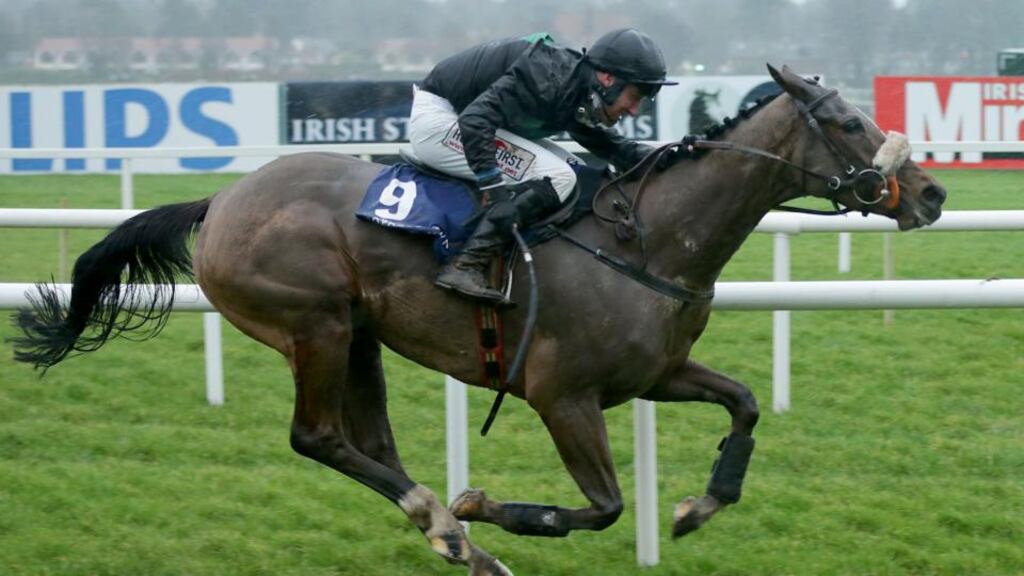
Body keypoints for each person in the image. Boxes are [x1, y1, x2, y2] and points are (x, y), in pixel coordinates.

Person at [408, 28, 677, 305]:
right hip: (441, 120)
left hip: (469, 119)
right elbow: (474, 122)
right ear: (608, 78)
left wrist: (671, 155)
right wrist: (495, 189)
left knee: (577, 171)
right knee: (560, 177)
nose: (634, 110)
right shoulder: (547, 77)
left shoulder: (576, 83)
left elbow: (612, 147)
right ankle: (466, 264)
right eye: (634, 96)